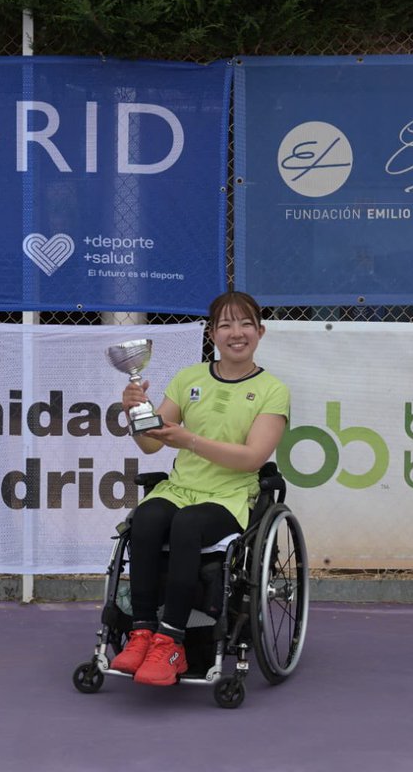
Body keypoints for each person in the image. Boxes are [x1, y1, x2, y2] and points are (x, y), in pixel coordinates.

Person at [110, 291, 290, 685]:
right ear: (212, 334)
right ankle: (141, 633)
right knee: (147, 517)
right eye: (225, 324)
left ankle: (171, 641)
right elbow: (151, 442)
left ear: (260, 332)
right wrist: (134, 413)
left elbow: (253, 458)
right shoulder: (188, 378)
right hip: (180, 487)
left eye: (245, 324)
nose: (236, 332)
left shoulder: (273, 390)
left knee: (188, 524)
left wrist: (189, 440)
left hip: (229, 496)